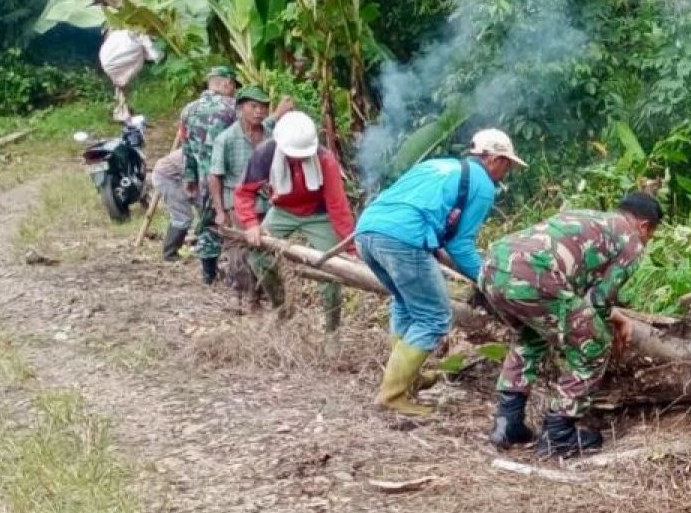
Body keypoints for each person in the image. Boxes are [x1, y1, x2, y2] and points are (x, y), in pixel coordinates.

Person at [355, 129, 527, 417]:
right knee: (435, 316)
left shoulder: (436, 165)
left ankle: (408, 378)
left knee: (406, 303)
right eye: (507, 164)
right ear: (495, 159)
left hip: (366, 232)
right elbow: (460, 244)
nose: (507, 171)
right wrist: (487, 279)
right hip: (403, 240)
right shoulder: (483, 185)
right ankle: (393, 394)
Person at [479, 192, 662, 458]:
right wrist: (604, 328)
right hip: (534, 276)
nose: (647, 240)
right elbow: (599, 301)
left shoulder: (589, 218)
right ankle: (558, 434)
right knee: (596, 342)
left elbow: (578, 286)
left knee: (531, 336)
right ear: (644, 225)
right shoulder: (631, 240)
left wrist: (613, 316)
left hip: (493, 268)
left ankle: (508, 423)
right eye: (650, 234)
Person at [235, 111, 356, 331]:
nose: (298, 159)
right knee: (257, 255)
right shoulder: (265, 154)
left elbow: (338, 206)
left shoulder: (325, 160)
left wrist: (350, 247)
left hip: (319, 215)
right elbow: (244, 192)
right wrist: (251, 224)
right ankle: (282, 309)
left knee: (332, 269)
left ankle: (332, 330)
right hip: (282, 211)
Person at [208, 86, 292, 306]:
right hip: (236, 203)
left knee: (265, 248)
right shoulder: (226, 139)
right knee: (239, 252)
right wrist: (219, 211)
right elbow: (214, 176)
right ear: (240, 109)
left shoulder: (271, 135)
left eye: (263, 107)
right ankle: (244, 297)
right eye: (253, 106)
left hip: (266, 202)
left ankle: (267, 294)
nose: (259, 111)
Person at [178, 66, 237, 284]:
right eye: (233, 86)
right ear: (226, 83)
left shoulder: (188, 110)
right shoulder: (233, 107)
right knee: (232, 220)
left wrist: (189, 177)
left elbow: (186, 147)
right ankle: (234, 273)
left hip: (204, 177)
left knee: (206, 221)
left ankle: (208, 273)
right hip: (231, 176)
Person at [153, 148, 192, 261]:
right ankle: (169, 253)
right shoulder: (197, 151)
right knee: (182, 217)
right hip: (167, 177)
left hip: (175, 175)